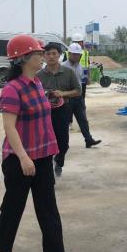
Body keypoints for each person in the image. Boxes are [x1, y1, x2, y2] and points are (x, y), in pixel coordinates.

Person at [0, 34, 80, 252]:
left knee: (48, 206)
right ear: (23, 58)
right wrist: (23, 157)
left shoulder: (37, 83)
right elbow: (9, 127)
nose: (43, 56)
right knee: (14, 206)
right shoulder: (12, 89)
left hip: (42, 155)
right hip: (20, 159)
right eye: (38, 53)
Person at [37, 42, 81, 177]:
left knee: (63, 143)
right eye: (48, 54)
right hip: (44, 113)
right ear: (43, 56)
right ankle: (47, 169)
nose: (51, 56)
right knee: (45, 141)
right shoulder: (38, 75)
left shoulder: (68, 72)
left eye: (54, 53)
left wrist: (63, 93)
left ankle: (59, 161)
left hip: (63, 111)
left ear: (59, 55)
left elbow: (78, 90)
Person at [61, 43, 101, 149]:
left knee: (83, 120)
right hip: (67, 98)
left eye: (78, 54)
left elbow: (81, 81)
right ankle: (63, 144)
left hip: (78, 98)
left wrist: (87, 80)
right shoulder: (62, 66)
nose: (76, 56)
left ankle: (89, 140)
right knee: (64, 122)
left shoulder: (80, 67)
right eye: (74, 54)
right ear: (69, 54)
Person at [70, 33, 90, 99]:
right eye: (76, 42)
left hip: (83, 79)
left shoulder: (86, 53)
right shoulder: (68, 53)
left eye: (79, 42)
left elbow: (87, 65)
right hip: (72, 79)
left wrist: (88, 77)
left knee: (82, 96)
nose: (78, 44)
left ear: (82, 43)